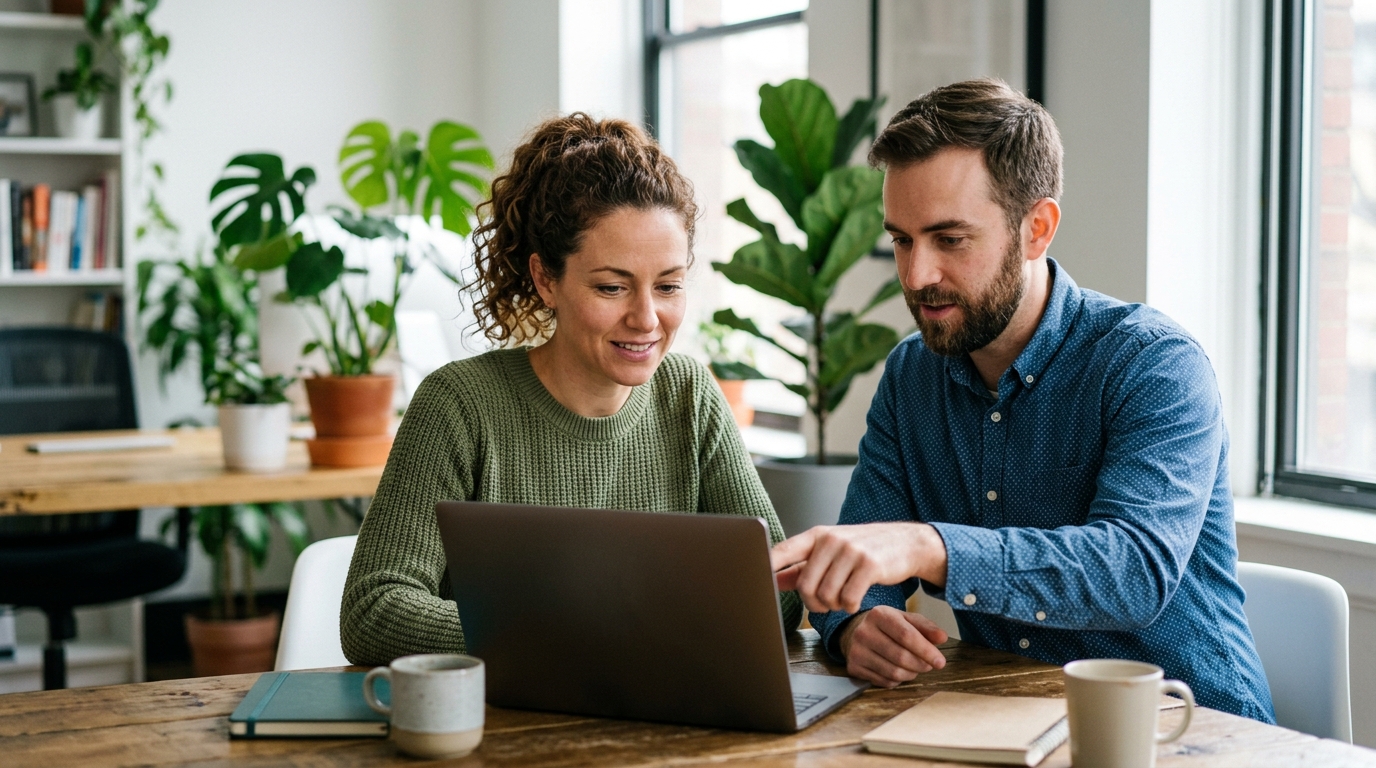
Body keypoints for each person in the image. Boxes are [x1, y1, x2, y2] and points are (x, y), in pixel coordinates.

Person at [770, 79, 1275, 722]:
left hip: (1192, 731)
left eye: (950, 239)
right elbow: (863, 557)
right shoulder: (910, 376)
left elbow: (1133, 572)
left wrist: (933, 548)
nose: (917, 275)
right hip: (1008, 722)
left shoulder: (1155, 364)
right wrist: (857, 626)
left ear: (1036, 228)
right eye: (902, 239)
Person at [341, 114, 802, 665]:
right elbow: (374, 612)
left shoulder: (690, 396)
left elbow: (783, 591)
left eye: (669, 286)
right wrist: (586, 626)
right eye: (611, 287)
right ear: (545, 280)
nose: (647, 319)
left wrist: (618, 623)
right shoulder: (460, 405)